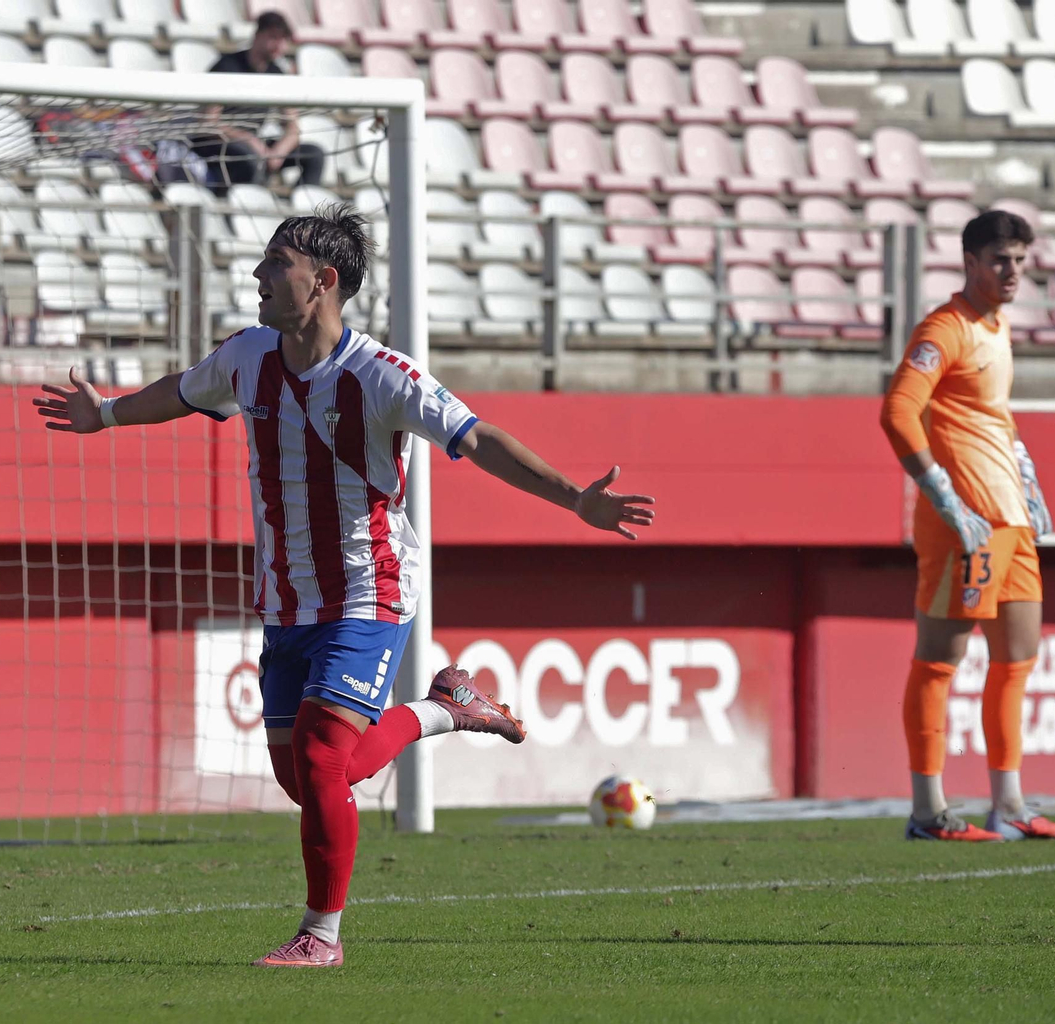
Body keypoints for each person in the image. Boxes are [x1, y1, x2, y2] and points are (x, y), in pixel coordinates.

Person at [33, 204, 654, 966]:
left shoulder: (383, 375)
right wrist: (107, 415)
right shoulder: (246, 356)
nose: (258, 275)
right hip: (286, 596)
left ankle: (320, 936)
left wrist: (576, 500)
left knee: (325, 759)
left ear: (323, 281)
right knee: (305, 777)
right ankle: (444, 708)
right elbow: (182, 392)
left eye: (276, 264)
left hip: (370, 586)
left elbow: (480, 438)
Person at [878, 210, 1055, 843]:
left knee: (1017, 658)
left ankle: (1009, 805)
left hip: (1009, 517)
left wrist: (1028, 478)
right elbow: (898, 411)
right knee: (940, 660)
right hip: (963, 523)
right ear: (969, 262)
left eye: (1019, 260)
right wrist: (942, 494)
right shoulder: (945, 328)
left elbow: (995, 415)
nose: (1012, 271)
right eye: (1000, 260)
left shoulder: (997, 326)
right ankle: (927, 812)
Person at [192, 11, 324, 194]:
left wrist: (278, 152)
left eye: (283, 39)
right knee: (249, 157)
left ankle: (303, 208)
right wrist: (247, 139)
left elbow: (292, 127)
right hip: (218, 145)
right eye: (273, 37)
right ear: (257, 35)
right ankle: (241, 204)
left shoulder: (277, 74)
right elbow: (207, 123)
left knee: (314, 154)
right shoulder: (226, 67)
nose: (279, 45)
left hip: (255, 145)